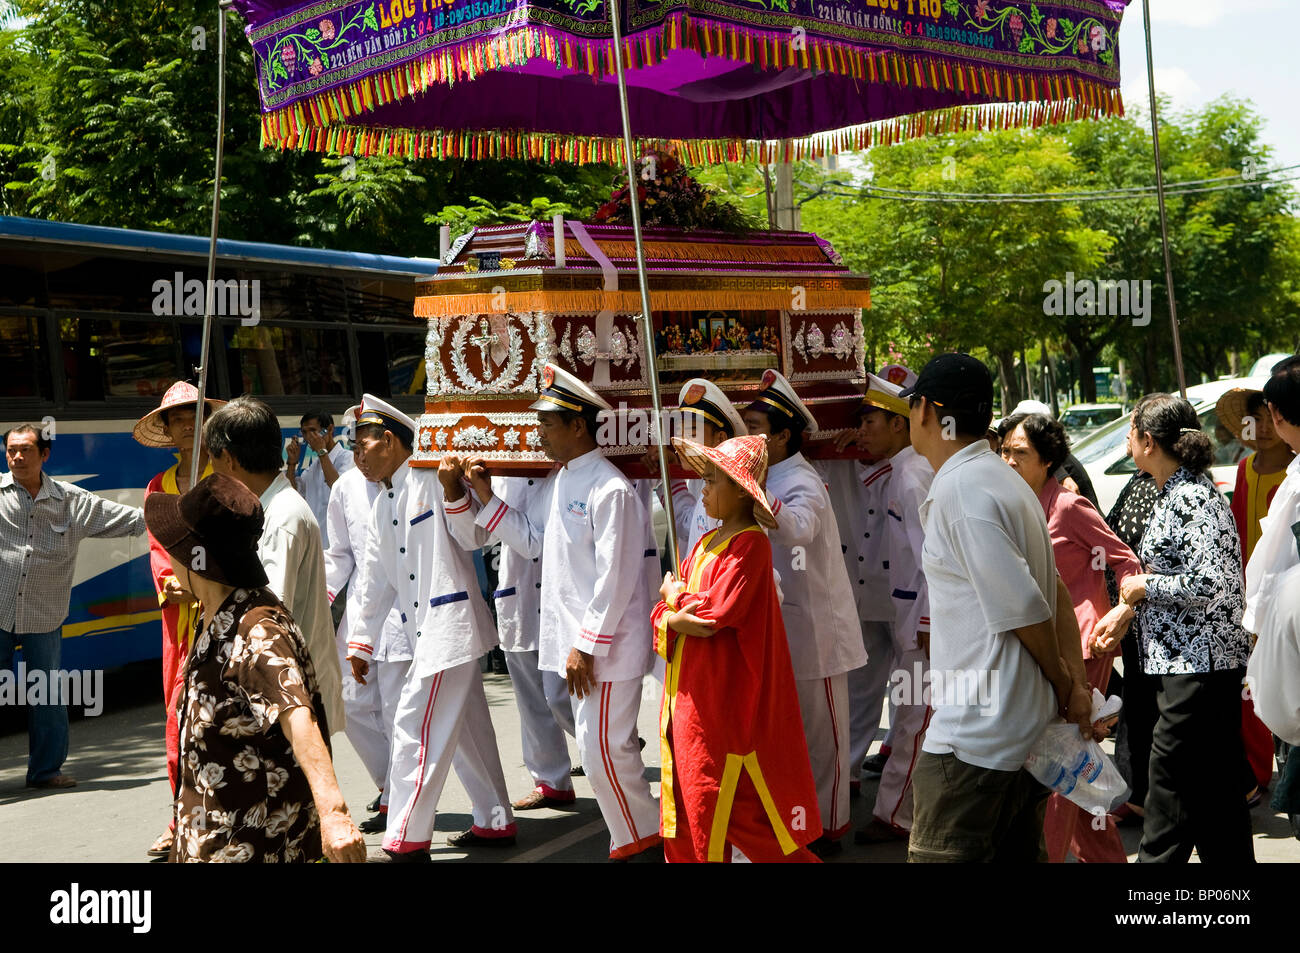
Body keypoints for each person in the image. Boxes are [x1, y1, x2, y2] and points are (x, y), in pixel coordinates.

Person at [448, 365, 662, 861]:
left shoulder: (609, 489)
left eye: (547, 424)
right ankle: (636, 836)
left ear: (578, 426)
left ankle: (642, 838)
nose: (538, 434)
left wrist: (587, 645)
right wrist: (485, 498)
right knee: (599, 748)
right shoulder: (562, 481)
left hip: (607, 645)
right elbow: (534, 542)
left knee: (606, 749)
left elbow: (615, 579)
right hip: (580, 644)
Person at [901, 354, 1092, 863]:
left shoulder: (963, 488)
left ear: (927, 411)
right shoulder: (1001, 478)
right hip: (1011, 732)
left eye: (911, 406)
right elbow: (1054, 593)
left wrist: (1063, 680)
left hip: (974, 740)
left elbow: (1029, 604)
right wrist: (1072, 682)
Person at [144, 472, 365, 863]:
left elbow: (298, 718)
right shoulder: (216, 613)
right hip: (214, 835)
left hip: (251, 845)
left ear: (199, 559)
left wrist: (335, 815)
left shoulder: (256, 628)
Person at [345, 396, 517, 860]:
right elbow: (375, 580)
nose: (357, 456)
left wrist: (453, 492)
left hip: (451, 627)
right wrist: (361, 642)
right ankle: (494, 818)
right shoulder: (383, 502)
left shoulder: (432, 478)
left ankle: (406, 835)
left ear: (389, 440)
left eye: (362, 445)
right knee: (467, 733)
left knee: (413, 727)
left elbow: (474, 539)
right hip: (428, 631)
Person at [652, 433, 822, 863]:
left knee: (735, 811)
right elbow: (667, 615)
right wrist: (672, 612)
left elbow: (712, 617)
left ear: (741, 491)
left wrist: (672, 601)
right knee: (690, 799)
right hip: (689, 697)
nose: (702, 489)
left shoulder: (750, 545)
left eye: (712, 481)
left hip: (724, 703)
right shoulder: (706, 544)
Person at [1103, 394, 1254, 863]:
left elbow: (1217, 582)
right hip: (1188, 663)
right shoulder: (1174, 490)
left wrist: (1147, 585)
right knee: (1215, 796)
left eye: (1131, 432)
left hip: (1199, 665)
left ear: (1148, 441)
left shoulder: (1192, 496)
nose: (1128, 440)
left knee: (1167, 788)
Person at [999, 411, 1138, 863]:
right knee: (1072, 764)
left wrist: (1119, 611)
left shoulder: (1069, 506)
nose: (1010, 461)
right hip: (1037, 646)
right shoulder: (1012, 505)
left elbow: (1126, 561)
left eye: (1021, 453)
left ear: (1048, 460)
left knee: (1059, 765)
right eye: (1005, 452)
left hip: (1083, 648)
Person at [743, 370, 868, 855]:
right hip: (779, 627)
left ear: (782, 436)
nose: (747, 435)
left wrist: (753, 488)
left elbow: (795, 527)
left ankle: (831, 827)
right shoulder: (770, 474)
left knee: (825, 740)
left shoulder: (801, 479)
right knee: (787, 735)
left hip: (817, 633)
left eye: (755, 426)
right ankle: (798, 822)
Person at [1, 424, 145, 790]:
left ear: (44, 455)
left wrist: (179, 511)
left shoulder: (72, 501)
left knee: (46, 693)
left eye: (25, 450)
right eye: (11, 450)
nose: (17, 457)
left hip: (44, 613)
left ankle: (45, 771)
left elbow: (130, 520)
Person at [204, 396, 345, 737]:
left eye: (212, 458)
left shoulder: (281, 518)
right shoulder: (266, 508)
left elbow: (266, 614)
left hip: (289, 696)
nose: (211, 469)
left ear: (230, 459)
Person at [843, 367, 934, 845]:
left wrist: (925, 617)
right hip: (908, 614)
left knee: (914, 717)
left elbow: (931, 557)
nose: (862, 432)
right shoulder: (903, 470)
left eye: (870, 423)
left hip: (918, 618)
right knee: (912, 715)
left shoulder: (913, 475)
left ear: (899, 424)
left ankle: (896, 815)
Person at [132, 380, 223, 858]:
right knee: (178, 718)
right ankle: (180, 817)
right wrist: (176, 583)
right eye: (176, 418)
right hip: (182, 620)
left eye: (194, 414)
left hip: (229, 611)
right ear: (166, 429)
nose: (186, 424)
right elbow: (159, 551)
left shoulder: (226, 474)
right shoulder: (158, 488)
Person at [322, 410, 411, 833]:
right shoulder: (344, 488)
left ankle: (398, 801)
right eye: (354, 446)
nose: (359, 454)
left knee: (396, 709)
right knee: (352, 704)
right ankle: (389, 785)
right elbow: (340, 554)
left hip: (402, 613)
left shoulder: (411, 481)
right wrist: (320, 598)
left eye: (364, 444)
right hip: (360, 608)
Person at [1220, 387, 1295, 797]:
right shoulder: (1245, 469)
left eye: (1271, 418)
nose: (1264, 428)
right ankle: (1252, 766)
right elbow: (1236, 530)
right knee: (1248, 683)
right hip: (1247, 593)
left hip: (1283, 593)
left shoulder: (1295, 473)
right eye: (1258, 420)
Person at [491, 474, 579, 812]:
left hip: (561, 600)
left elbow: (536, 542)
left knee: (560, 694)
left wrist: (488, 501)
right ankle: (551, 781)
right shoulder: (499, 473)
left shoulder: (565, 474)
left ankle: (612, 745)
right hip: (518, 594)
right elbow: (481, 535)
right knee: (530, 699)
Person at [287, 409, 354, 549]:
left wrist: (322, 452)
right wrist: (292, 464)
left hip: (342, 547)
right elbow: (294, 495)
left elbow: (338, 487)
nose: (308, 437)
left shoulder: (348, 458)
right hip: (317, 546)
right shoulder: (313, 468)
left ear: (329, 429)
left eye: (313, 430)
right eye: (304, 432)